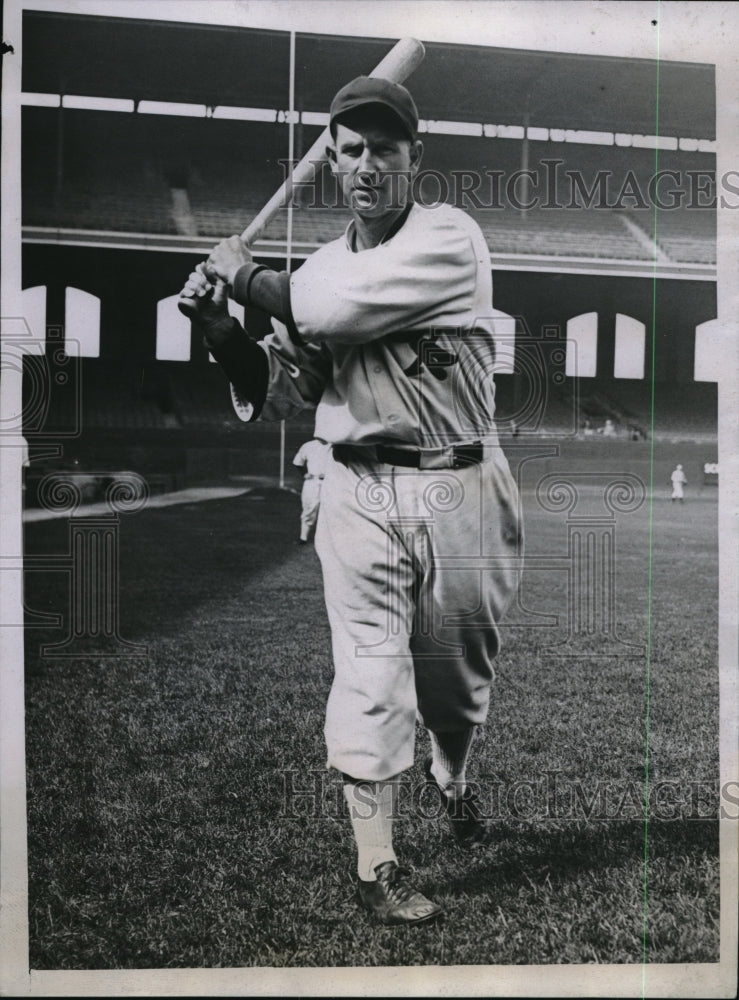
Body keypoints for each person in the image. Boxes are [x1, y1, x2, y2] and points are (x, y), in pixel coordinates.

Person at [179, 76, 523, 926]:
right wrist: (221, 330)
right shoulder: (318, 267)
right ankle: (378, 865)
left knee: (456, 681)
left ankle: (452, 774)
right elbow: (287, 388)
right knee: (370, 673)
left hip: (461, 483)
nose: (368, 165)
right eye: (352, 150)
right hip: (355, 485)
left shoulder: (449, 238)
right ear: (332, 162)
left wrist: (242, 274)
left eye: (384, 149)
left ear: (414, 157)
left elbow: (330, 307)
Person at [292, 437, 331, 544]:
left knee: (331, 510)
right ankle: (303, 538)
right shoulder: (308, 446)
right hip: (312, 481)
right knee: (309, 509)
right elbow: (297, 462)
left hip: (330, 482)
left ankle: (329, 539)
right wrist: (304, 473)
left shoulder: (334, 446)